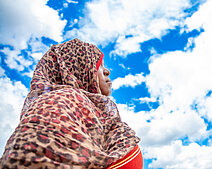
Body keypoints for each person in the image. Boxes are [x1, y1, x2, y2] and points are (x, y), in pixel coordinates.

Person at [0, 38, 143, 168]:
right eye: (99, 65)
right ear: (78, 68)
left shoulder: (92, 112)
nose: (107, 71)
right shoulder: (61, 101)